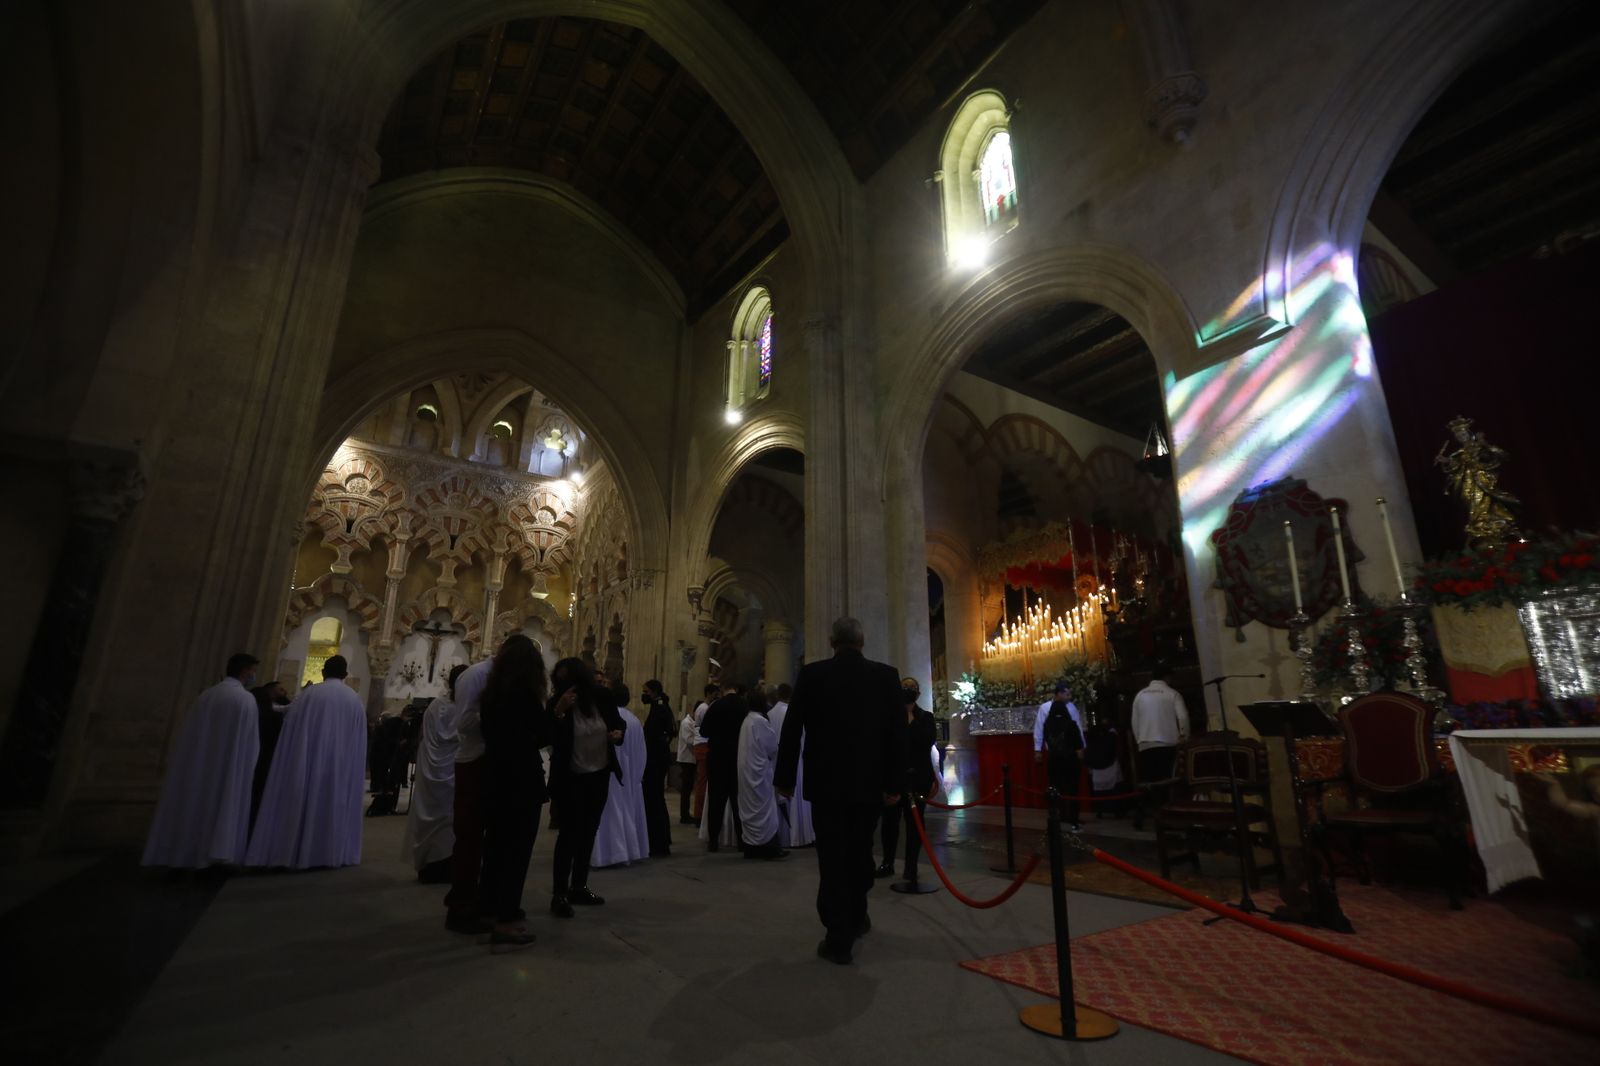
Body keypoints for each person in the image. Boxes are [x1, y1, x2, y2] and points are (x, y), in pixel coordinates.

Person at [776, 617, 908, 965]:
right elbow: (898, 735)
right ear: (862, 643)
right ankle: (857, 916)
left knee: (832, 857)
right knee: (862, 851)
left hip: (826, 785)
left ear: (832, 641)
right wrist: (895, 784)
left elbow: (792, 730)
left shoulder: (813, 675)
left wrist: (785, 779)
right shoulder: (885, 676)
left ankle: (838, 936)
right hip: (869, 786)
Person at [141, 653, 263, 869]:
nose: (254, 675)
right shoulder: (244, 699)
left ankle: (181, 856)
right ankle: (215, 857)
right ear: (245, 671)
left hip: (198, 765)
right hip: (228, 767)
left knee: (192, 807)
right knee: (221, 808)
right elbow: (250, 741)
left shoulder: (207, 695)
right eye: (253, 671)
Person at [245, 655, 368, 869]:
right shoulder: (354, 699)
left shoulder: (311, 694)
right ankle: (329, 852)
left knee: (304, 802)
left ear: (323, 672)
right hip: (339, 767)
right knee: (332, 803)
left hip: (308, 762)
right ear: (346, 675)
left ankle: (297, 849)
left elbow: (289, 716)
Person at [477, 635, 558, 952]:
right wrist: (557, 713)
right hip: (520, 781)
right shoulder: (524, 697)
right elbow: (541, 735)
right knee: (516, 851)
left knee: (494, 846)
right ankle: (507, 920)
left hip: (494, 777)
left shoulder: (492, 695)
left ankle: (488, 909)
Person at [548, 657, 625, 918]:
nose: (565, 686)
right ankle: (559, 894)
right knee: (568, 835)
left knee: (589, 831)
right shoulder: (557, 703)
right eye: (560, 682)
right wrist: (558, 711)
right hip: (571, 778)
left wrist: (617, 733)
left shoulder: (602, 697)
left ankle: (578, 885)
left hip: (598, 775)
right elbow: (547, 737)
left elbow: (618, 723)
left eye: (569, 681)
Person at [401, 663, 467, 884]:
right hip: (453, 770)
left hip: (434, 770)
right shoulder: (466, 708)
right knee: (450, 817)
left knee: (444, 817)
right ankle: (442, 865)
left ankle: (434, 864)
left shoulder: (435, 707)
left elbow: (426, 738)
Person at [443, 652, 493, 932]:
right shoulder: (479, 676)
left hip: (477, 762)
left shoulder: (478, 675)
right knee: (470, 837)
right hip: (475, 762)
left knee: (472, 838)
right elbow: (465, 723)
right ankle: (462, 905)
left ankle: (466, 901)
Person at [877, 677, 941, 882]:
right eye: (905, 687)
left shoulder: (926, 717)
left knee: (915, 824)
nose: (909, 690)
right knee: (890, 823)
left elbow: (926, 742)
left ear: (918, 693)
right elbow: (886, 747)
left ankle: (911, 866)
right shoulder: (890, 716)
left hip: (917, 777)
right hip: (895, 778)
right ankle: (887, 862)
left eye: (912, 688)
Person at [592, 682, 649, 867]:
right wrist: (637, 777)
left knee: (608, 814)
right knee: (625, 814)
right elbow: (641, 752)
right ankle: (627, 851)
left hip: (609, 774)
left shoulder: (605, 718)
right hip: (630, 776)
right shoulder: (634, 720)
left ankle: (606, 855)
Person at [1130, 665, 1189, 829]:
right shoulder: (1172, 694)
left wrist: (1139, 739)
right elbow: (1183, 717)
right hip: (1167, 742)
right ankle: (1164, 818)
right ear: (1168, 678)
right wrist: (1184, 737)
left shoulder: (1140, 695)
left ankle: (1140, 814)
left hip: (1145, 743)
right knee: (1165, 781)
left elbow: (1134, 721)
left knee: (1147, 781)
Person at [737, 689, 787, 860]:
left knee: (751, 808)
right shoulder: (759, 721)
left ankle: (751, 847)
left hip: (747, 771)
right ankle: (769, 848)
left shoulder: (747, 720)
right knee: (765, 809)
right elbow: (772, 747)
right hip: (759, 773)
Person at [699, 682, 750, 851]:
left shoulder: (716, 706)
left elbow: (704, 731)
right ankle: (741, 840)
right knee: (738, 801)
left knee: (716, 800)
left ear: (723, 690)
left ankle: (713, 840)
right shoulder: (744, 706)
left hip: (717, 758)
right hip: (738, 758)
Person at [766, 683, 814, 847]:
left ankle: (781, 834)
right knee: (796, 802)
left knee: (777, 799)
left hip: (775, 762)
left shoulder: (770, 713)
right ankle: (798, 835)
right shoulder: (791, 712)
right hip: (795, 761)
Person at [1035, 681, 1086, 831]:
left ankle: (1060, 817)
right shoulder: (1045, 709)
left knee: (1057, 786)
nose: (1069, 696)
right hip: (1069, 757)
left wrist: (1039, 750)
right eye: (1067, 693)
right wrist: (1080, 749)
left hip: (1054, 757)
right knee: (1069, 787)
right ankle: (1070, 818)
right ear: (1059, 693)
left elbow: (1042, 733)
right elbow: (1077, 731)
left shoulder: (1062, 714)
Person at [640, 679, 676, 855]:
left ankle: (659, 843)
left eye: (646, 692)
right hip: (658, 758)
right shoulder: (660, 706)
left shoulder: (659, 708)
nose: (643, 695)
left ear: (654, 692)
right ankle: (661, 839)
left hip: (655, 760)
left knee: (654, 799)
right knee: (657, 799)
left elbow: (655, 735)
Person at [249, 679, 291, 829]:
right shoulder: (268, 713)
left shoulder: (274, 710)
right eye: (280, 689)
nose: (284, 692)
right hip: (263, 758)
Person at [690, 683, 717, 823]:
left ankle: (699, 813)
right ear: (709, 693)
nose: (715, 696)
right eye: (714, 694)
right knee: (702, 781)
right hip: (703, 743)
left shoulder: (703, 707)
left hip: (701, 742)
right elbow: (706, 727)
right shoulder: (705, 708)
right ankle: (699, 814)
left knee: (703, 780)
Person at [676, 691, 700, 825]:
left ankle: (686, 814)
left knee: (688, 787)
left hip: (691, 759)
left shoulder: (692, 722)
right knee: (686, 789)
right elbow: (689, 740)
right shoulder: (686, 723)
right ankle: (684, 816)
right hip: (686, 759)